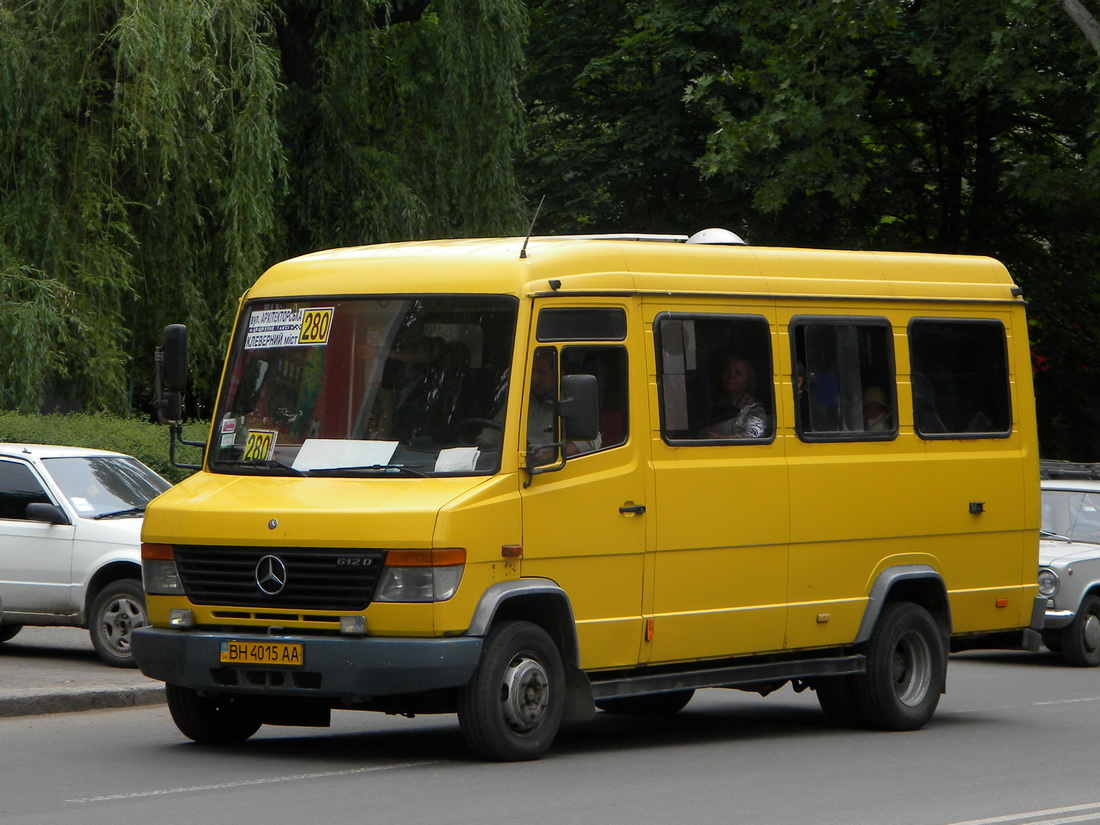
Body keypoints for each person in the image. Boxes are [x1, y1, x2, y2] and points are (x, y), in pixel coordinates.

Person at [478, 350, 602, 461]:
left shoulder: (569, 402)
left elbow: (592, 440)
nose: (534, 378)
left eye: (541, 372)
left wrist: (551, 456)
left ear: (558, 373)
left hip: (549, 473)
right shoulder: (520, 402)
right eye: (531, 372)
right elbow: (491, 434)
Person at [699, 354, 767, 439]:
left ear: (748, 381)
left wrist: (725, 439)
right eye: (727, 371)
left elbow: (756, 433)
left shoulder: (752, 407)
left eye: (738, 373)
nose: (731, 376)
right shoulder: (714, 403)